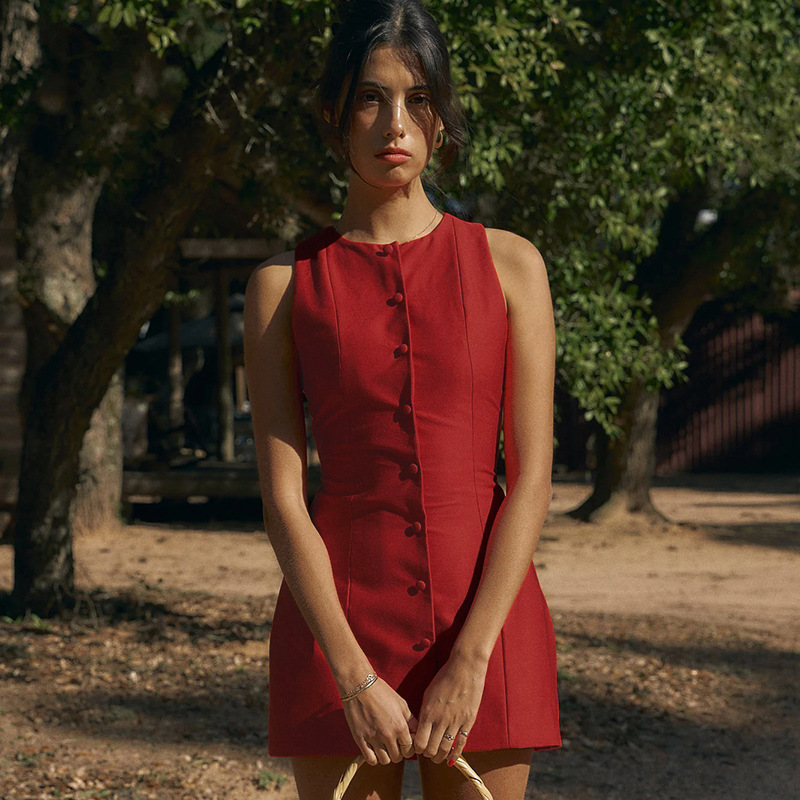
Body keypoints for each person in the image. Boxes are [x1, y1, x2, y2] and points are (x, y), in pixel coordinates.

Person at [243, 1, 560, 797]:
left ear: (442, 117)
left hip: (486, 624)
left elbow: (530, 478)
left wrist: (471, 658)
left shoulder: (512, 265)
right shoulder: (282, 286)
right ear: (332, 114)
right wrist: (352, 676)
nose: (395, 123)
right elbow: (284, 498)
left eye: (418, 99)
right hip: (336, 629)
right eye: (369, 99)